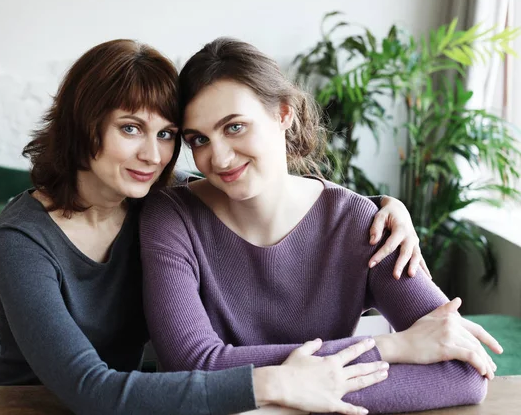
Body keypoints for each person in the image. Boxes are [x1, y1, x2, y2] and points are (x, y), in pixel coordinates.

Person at [0, 39, 429, 415]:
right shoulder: (20, 240)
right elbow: (90, 388)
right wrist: (277, 381)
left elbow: (261, 190)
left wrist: (383, 207)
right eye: (130, 129)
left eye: (168, 134)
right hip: (27, 404)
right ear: (82, 126)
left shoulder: (153, 198)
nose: (153, 156)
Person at [139, 37, 504, 415]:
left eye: (234, 127)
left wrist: (276, 401)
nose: (218, 157)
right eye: (199, 139)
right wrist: (389, 348)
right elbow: (195, 365)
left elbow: (463, 369)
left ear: (283, 113)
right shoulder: (170, 217)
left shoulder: (363, 223)